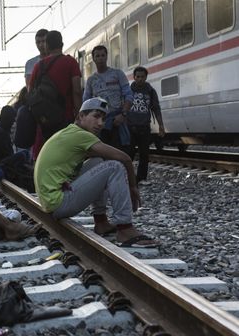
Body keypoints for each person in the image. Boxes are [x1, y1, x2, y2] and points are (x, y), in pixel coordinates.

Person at [34, 97, 158, 248]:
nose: (100, 123)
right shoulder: (81, 136)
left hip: (52, 201)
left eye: (104, 119)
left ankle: (101, 222)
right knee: (114, 166)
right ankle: (125, 229)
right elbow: (124, 158)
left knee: (98, 161)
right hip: (59, 202)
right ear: (81, 116)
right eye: (96, 116)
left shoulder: (70, 132)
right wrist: (133, 187)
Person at [29, 30, 82, 153]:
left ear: (47, 45)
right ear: (62, 44)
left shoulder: (38, 66)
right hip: (66, 117)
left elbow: (31, 93)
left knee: (47, 152)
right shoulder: (71, 62)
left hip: (44, 121)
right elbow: (77, 91)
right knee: (66, 153)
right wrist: (79, 115)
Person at [83, 45, 133, 152]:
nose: (100, 58)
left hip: (117, 121)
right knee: (103, 154)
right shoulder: (91, 80)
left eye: (103, 55)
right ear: (94, 59)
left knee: (120, 151)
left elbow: (128, 95)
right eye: (97, 56)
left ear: (106, 57)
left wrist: (123, 114)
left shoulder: (117, 74)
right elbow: (86, 102)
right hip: (100, 123)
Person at [128, 66, 165, 184]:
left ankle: (142, 178)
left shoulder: (150, 91)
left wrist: (161, 125)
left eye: (142, 77)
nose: (139, 79)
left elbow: (156, 108)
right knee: (129, 154)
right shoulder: (129, 91)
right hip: (130, 127)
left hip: (144, 127)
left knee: (144, 154)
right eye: (137, 76)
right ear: (134, 77)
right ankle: (127, 176)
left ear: (146, 77)